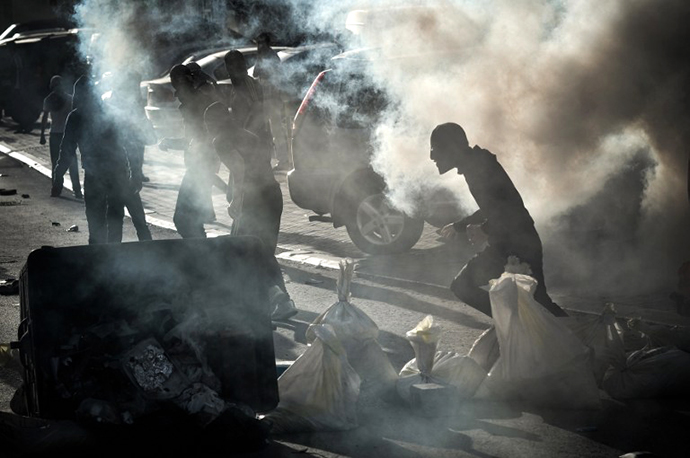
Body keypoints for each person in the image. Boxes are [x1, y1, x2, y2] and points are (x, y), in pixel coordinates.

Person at [430, 122, 567, 318]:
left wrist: (485, 229)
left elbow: (507, 207)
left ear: (452, 148)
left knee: (463, 286)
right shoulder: (476, 163)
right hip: (515, 242)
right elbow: (493, 205)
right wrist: (459, 226)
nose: (432, 157)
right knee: (540, 301)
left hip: (516, 245)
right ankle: (522, 326)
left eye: (436, 150)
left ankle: (514, 323)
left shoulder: (478, 167)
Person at [204, 101, 297, 321]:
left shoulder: (221, 140)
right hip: (273, 195)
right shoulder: (248, 135)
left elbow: (239, 168)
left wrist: (236, 200)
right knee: (262, 251)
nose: (206, 126)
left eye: (207, 121)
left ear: (213, 122)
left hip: (255, 200)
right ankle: (279, 300)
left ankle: (265, 300)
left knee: (243, 249)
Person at [52, 75, 131, 244]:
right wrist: (130, 171)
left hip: (95, 174)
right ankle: (115, 256)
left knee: (96, 220)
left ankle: (97, 257)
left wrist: (59, 173)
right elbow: (126, 145)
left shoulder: (76, 116)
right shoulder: (110, 112)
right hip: (116, 171)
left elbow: (67, 149)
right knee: (115, 218)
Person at [159, 64, 218, 238]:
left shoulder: (195, 105)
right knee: (193, 220)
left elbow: (195, 141)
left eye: (179, 91)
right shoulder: (199, 100)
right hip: (201, 167)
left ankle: (202, 254)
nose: (179, 99)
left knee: (183, 219)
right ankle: (203, 254)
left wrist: (171, 142)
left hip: (199, 169)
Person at [105, 70, 156, 241]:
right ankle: (140, 250)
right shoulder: (121, 105)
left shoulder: (131, 105)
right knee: (129, 217)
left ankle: (118, 253)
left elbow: (146, 139)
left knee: (124, 217)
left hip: (122, 169)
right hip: (119, 169)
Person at [40, 75, 82, 199]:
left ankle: (56, 188)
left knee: (56, 163)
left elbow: (44, 118)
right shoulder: (70, 99)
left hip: (55, 134)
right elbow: (76, 117)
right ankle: (77, 190)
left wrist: (42, 135)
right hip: (68, 134)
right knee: (72, 163)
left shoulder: (49, 99)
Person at [252, 33, 290, 171]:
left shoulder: (270, 57)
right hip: (266, 100)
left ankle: (283, 160)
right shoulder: (262, 56)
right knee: (264, 130)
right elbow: (256, 73)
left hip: (272, 100)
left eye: (261, 43)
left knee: (277, 131)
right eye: (258, 43)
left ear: (266, 43)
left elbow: (267, 75)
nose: (259, 46)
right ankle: (266, 159)